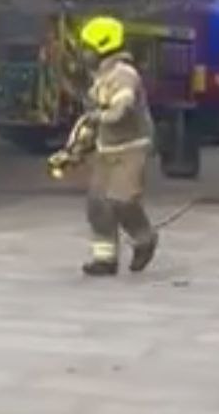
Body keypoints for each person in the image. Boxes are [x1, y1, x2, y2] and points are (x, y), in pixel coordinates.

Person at [53, 16, 159, 277]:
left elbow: (119, 109)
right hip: (106, 148)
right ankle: (105, 258)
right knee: (98, 203)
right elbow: (92, 118)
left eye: (87, 47)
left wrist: (100, 116)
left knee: (122, 200)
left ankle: (144, 239)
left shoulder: (124, 75)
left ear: (103, 46)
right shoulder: (99, 77)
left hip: (132, 147)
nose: (84, 52)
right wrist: (74, 151)